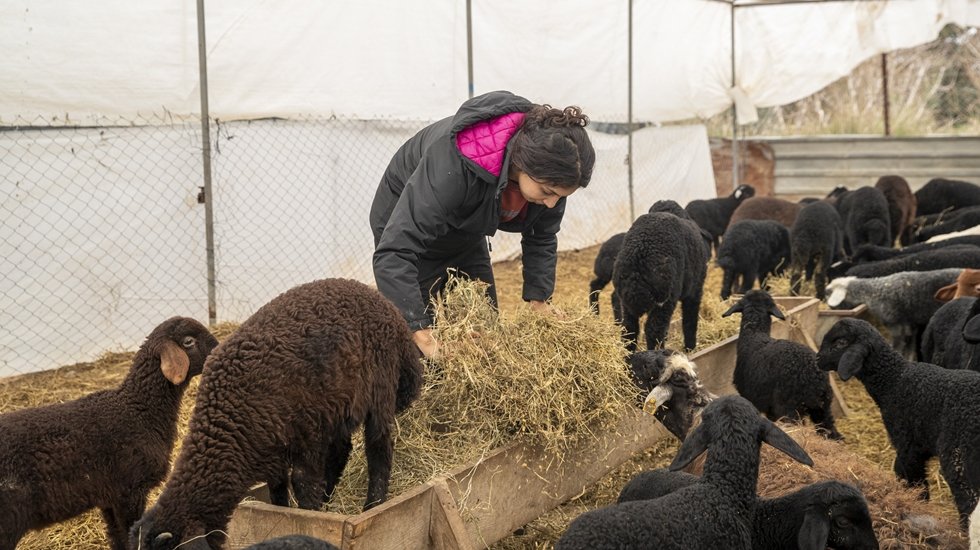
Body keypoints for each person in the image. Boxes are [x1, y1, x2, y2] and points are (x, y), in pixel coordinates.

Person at [370, 90, 596, 358]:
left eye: (560, 196)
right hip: (408, 226)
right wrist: (421, 332)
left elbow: (542, 235)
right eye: (547, 192)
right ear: (523, 164)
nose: (551, 204)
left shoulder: (552, 173)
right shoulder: (455, 162)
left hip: (467, 227)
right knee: (422, 352)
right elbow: (396, 251)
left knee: (485, 334)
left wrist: (540, 300)